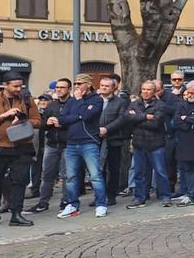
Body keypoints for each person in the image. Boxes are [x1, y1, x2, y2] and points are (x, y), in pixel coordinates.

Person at [0, 71, 41, 227]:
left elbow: (38, 121)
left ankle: (16, 214)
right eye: (15, 86)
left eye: (21, 86)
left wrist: (24, 120)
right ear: (5, 85)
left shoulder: (27, 100)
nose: (19, 89)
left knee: (19, 181)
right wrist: (4, 116)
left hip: (22, 146)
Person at [57, 73, 107, 219]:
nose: (77, 86)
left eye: (80, 83)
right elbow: (62, 119)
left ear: (88, 85)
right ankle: (72, 204)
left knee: (95, 176)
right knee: (71, 176)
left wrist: (79, 102)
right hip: (72, 142)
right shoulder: (71, 101)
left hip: (88, 142)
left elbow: (87, 115)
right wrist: (77, 116)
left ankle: (101, 204)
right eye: (75, 84)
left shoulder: (96, 99)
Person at [26, 78, 71, 214]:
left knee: (66, 175)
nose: (59, 90)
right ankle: (43, 202)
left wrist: (62, 122)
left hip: (68, 144)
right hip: (51, 144)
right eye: (57, 87)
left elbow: (77, 121)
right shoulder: (52, 105)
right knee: (46, 174)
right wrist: (47, 122)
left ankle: (66, 201)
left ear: (69, 89)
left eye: (62, 87)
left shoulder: (74, 104)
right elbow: (42, 123)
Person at [125, 81, 172, 208]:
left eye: (149, 89)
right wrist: (146, 116)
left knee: (160, 172)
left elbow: (156, 124)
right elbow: (127, 118)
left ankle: (165, 196)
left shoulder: (160, 105)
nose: (145, 92)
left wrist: (137, 117)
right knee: (139, 173)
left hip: (156, 144)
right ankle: (140, 197)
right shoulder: (134, 103)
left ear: (154, 92)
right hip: (139, 144)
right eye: (143, 89)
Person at [97, 76, 129, 206]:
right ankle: (99, 195)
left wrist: (107, 129)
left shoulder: (120, 102)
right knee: (98, 169)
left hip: (113, 139)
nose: (104, 88)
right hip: (96, 139)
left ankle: (111, 195)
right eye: (102, 85)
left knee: (113, 168)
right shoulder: (95, 100)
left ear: (113, 88)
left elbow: (121, 119)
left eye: (107, 86)